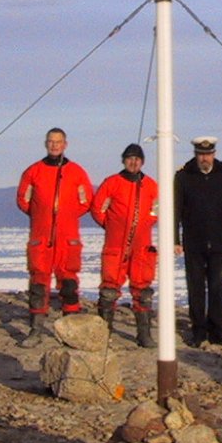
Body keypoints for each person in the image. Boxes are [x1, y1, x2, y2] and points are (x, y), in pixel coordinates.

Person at [15, 127, 94, 336]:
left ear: (65, 144)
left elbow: (86, 201)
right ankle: (36, 329)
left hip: (67, 238)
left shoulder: (77, 172)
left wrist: (66, 215)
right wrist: (42, 214)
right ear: (46, 143)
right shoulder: (33, 172)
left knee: (69, 282)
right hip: (41, 237)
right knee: (39, 283)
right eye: (51, 141)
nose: (54, 145)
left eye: (58, 142)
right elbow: (23, 200)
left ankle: (71, 329)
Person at [173, 136, 222, 347]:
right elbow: (175, 210)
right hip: (193, 242)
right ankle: (198, 331)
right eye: (201, 154)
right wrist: (175, 240)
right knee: (195, 287)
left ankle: (217, 331)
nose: (204, 158)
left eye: (208, 154)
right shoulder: (183, 176)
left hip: (219, 241)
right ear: (195, 155)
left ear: (214, 154)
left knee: (216, 286)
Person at [90, 142, 158, 349]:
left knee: (143, 290)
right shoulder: (111, 183)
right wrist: (112, 226)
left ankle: (144, 334)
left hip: (142, 245)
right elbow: (97, 209)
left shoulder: (152, 186)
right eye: (129, 158)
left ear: (142, 161)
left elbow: (156, 211)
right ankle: (104, 334)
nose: (133, 162)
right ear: (123, 160)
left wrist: (144, 224)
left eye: (137, 159)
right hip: (116, 244)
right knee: (109, 290)